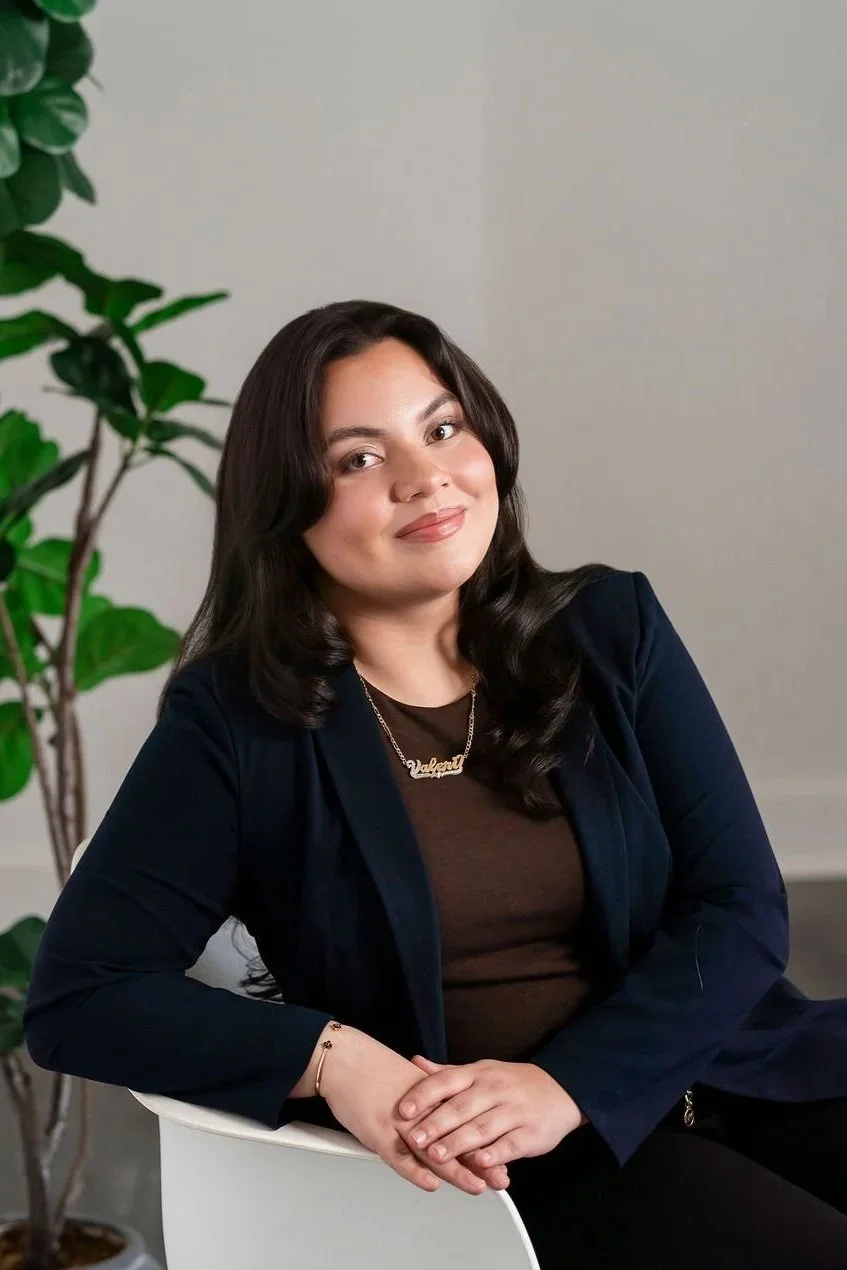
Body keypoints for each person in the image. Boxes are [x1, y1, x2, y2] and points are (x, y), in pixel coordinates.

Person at [24, 300, 847, 1267]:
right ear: (288, 507)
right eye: (359, 459)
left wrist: (573, 1081)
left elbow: (736, 906)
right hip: (511, 1166)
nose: (428, 478)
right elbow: (82, 996)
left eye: (442, 427)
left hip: (729, 1066)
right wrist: (333, 1060)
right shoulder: (239, 725)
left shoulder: (607, 629)